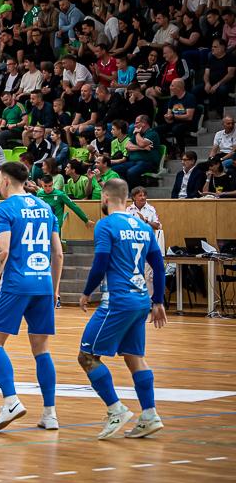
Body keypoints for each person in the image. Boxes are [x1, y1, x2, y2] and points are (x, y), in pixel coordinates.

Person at [77, 179, 167, 440]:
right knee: (134, 356)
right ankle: (149, 415)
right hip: (141, 301)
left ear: (105, 198)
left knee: (87, 357)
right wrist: (158, 301)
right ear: (127, 198)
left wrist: (86, 292)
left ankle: (116, 409)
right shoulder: (143, 226)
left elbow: (101, 262)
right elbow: (158, 265)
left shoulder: (105, 225)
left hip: (117, 301)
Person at [0, 162, 63, 433]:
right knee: (42, 349)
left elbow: (2, 250)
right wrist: (55, 289)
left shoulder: (5, 208)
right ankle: (50, 413)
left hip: (17, 284)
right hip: (44, 284)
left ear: (4, 179)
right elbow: (58, 253)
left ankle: (11, 401)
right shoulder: (45, 207)